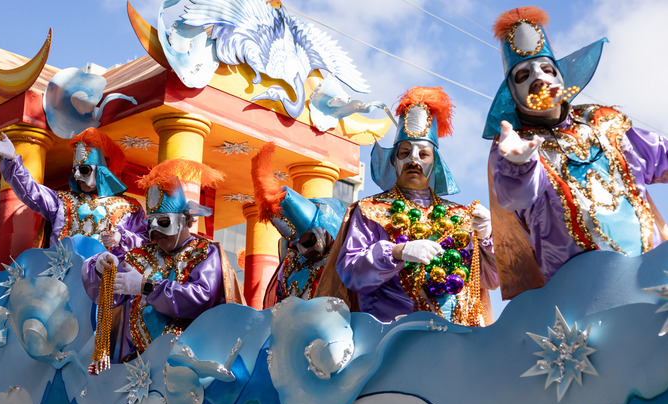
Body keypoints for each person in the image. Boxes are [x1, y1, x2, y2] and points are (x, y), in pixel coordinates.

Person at [485, 6, 668, 297]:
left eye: (547, 69)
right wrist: (519, 165)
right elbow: (515, 197)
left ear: (561, 78)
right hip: (582, 299)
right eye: (523, 75)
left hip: (657, 276)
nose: (539, 78)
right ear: (512, 94)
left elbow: (662, 157)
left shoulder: (604, 122)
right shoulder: (513, 146)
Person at [319, 86, 497, 326]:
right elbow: (351, 271)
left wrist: (486, 237)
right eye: (405, 152)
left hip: (459, 338)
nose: (413, 160)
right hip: (392, 338)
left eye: (423, 155)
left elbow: (490, 279)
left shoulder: (460, 216)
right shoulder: (370, 210)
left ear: (435, 164)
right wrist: (397, 252)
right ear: (394, 160)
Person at [82, 159, 244, 373]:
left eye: (164, 222)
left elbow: (200, 299)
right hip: (134, 369)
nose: (155, 230)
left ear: (186, 219)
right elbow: (108, 294)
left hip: (185, 370)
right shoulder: (141, 255)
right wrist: (100, 269)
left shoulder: (205, 253)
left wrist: (147, 287)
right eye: (151, 223)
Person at [0, 127, 145, 254]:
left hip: (105, 285)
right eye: (75, 171)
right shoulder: (62, 201)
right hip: (61, 284)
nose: (77, 176)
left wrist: (122, 238)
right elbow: (30, 191)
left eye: (84, 170)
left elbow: (145, 243)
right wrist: (12, 160)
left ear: (102, 170)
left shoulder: (130, 207)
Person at [250, 142, 345, 306]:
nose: (302, 249)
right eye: (295, 245)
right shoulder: (291, 263)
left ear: (326, 229)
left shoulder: (345, 260)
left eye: (308, 241)